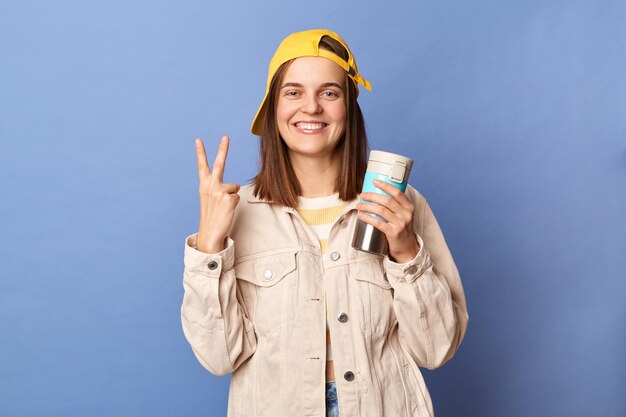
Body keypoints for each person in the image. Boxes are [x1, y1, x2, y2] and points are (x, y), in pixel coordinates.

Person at [181, 29, 468, 417]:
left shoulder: (400, 205)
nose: (311, 107)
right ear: (273, 108)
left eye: (329, 93)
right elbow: (219, 357)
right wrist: (210, 248)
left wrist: (405, 250)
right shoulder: (236, 212)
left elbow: (436, 349)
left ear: (348, 107)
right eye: (293, 92)